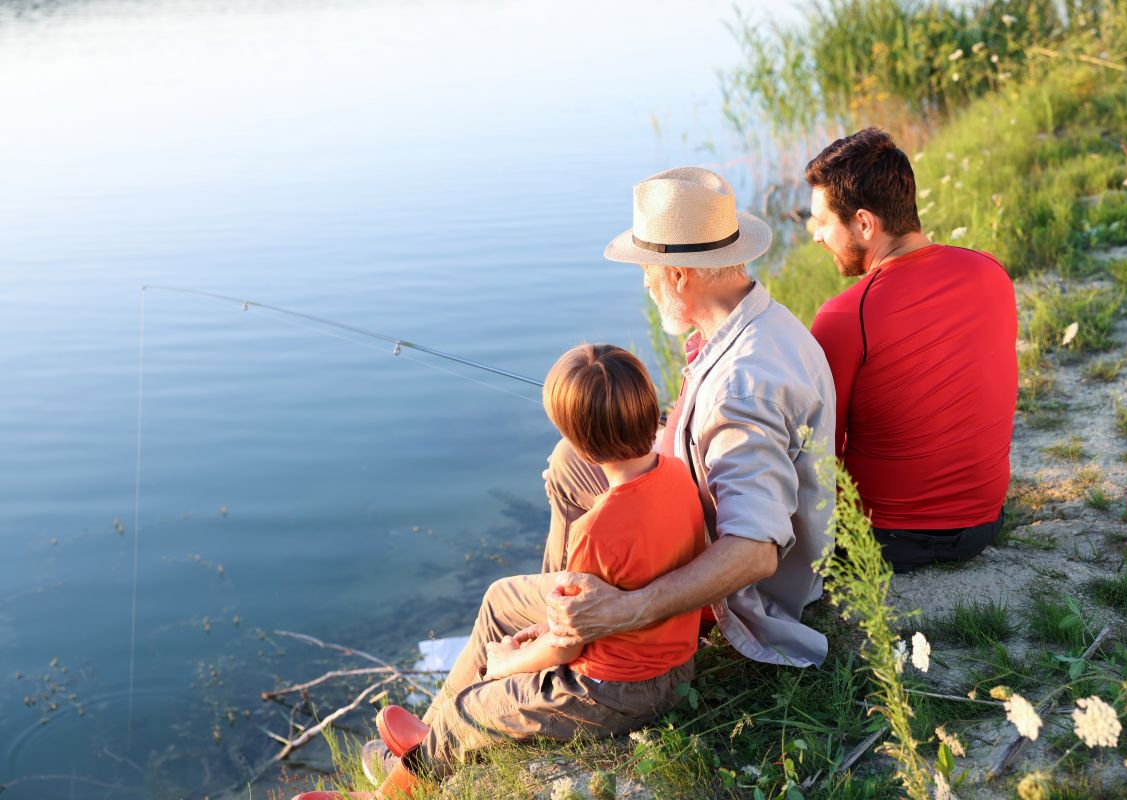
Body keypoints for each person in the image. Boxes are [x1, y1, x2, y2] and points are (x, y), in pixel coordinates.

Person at [292, 344, 707, 800]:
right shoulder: (675, 475)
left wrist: (506, 666)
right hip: (671, 661)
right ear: (650, 413)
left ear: (583, 447)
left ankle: (385, 792)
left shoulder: (597, 530)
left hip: (616, 691)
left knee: (468, 710)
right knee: (499, 601)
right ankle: (424, 742)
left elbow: (568, 648)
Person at [542, 166, 836, 670]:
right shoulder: (758, 322)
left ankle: (566, 631)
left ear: (678, 275)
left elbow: (755, 551)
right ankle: (561, 613)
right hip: (696, 509)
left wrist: (626, 609)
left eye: (647, 271)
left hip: (739, 597)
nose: (647, 286)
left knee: (504, 600)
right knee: (571, 458)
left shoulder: (742, 387)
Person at [805, 127, 1017, 572]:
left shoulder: (846, 316)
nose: (816, 237)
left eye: (823, 222)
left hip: (882, 541)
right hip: (984, 524)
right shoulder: (990, 273)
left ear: (863, 223)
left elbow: (820, 450)